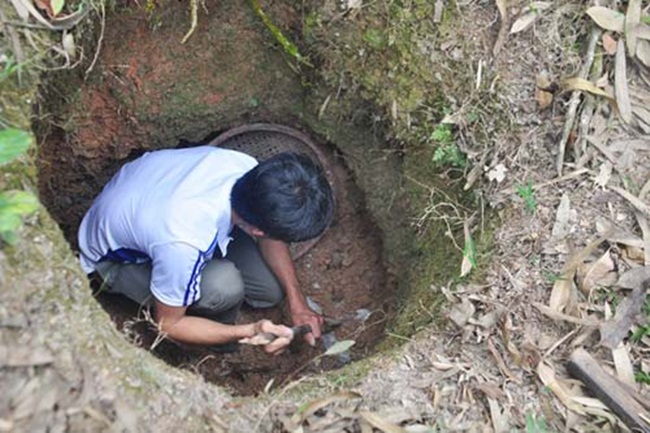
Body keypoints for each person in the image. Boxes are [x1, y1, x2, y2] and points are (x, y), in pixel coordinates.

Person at [78, 145, 334, 354]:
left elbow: (270, 233)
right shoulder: (183, 241)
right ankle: (210, 344)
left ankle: (215, 319)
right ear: (257, 231)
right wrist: (247, 331)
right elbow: (168, 324)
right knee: (224, 285)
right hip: (114, 260)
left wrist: (297, 302)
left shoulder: (248, 170)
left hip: (150, 200)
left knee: (270, 290)